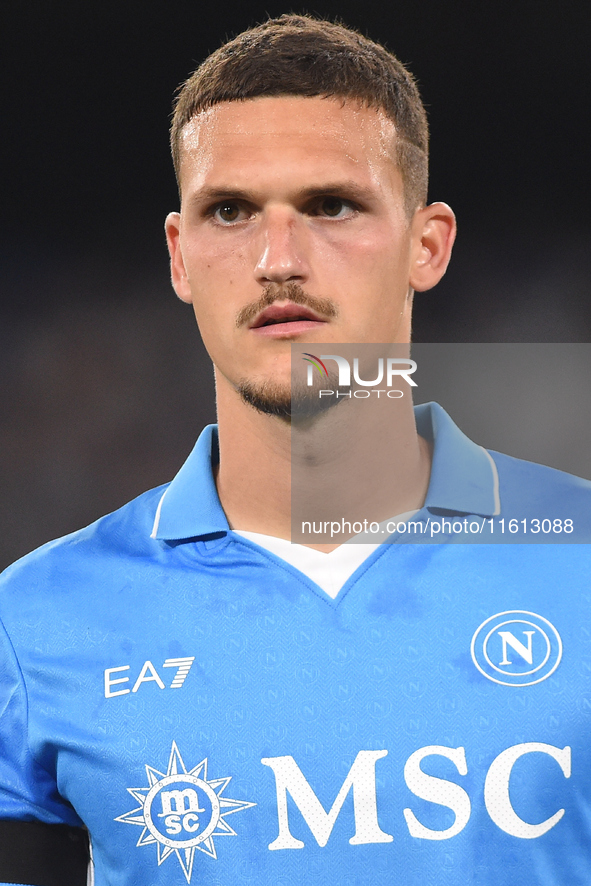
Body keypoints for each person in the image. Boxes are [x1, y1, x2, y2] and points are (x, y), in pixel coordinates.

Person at [0, 14, 590, 886]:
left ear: (427, 246)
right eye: (230, 211)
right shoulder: (32, 623)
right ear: (180, 258)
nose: (279, 258)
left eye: (330, 206)